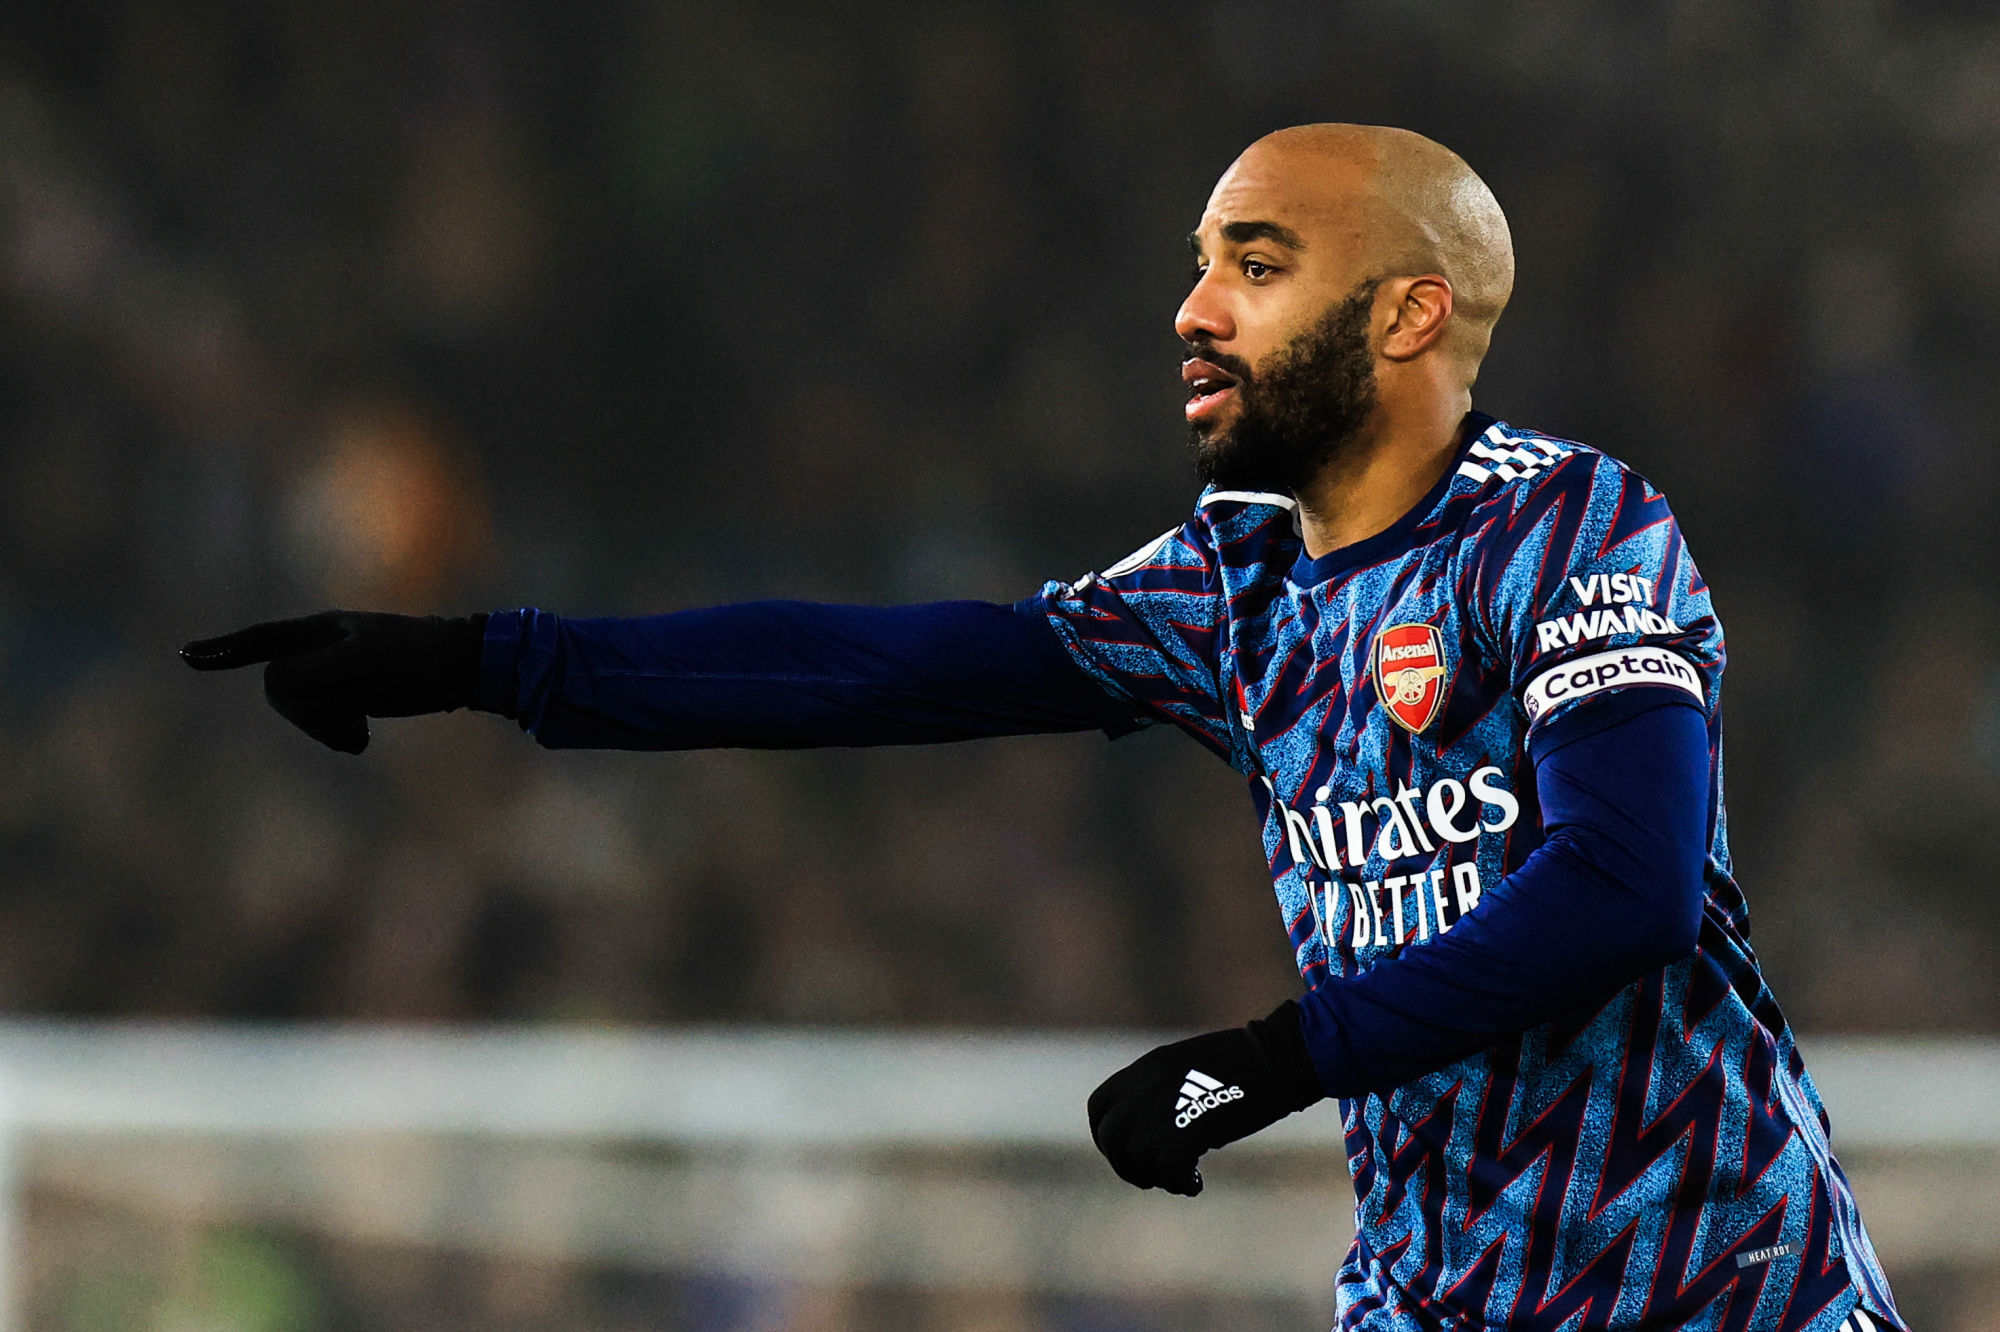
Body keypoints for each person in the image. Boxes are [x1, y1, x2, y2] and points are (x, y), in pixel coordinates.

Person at [185, 124, 1903, 1332]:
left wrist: (1264, 1062)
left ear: (1407, 314)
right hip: (1434, 1297)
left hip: (1721, 1288)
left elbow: (1623, 886)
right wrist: (480, 660)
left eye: (1257, 265)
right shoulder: (1233, 579)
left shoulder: (1573, 528)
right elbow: (879, 670)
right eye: (1200, 265)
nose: (1196, 309)